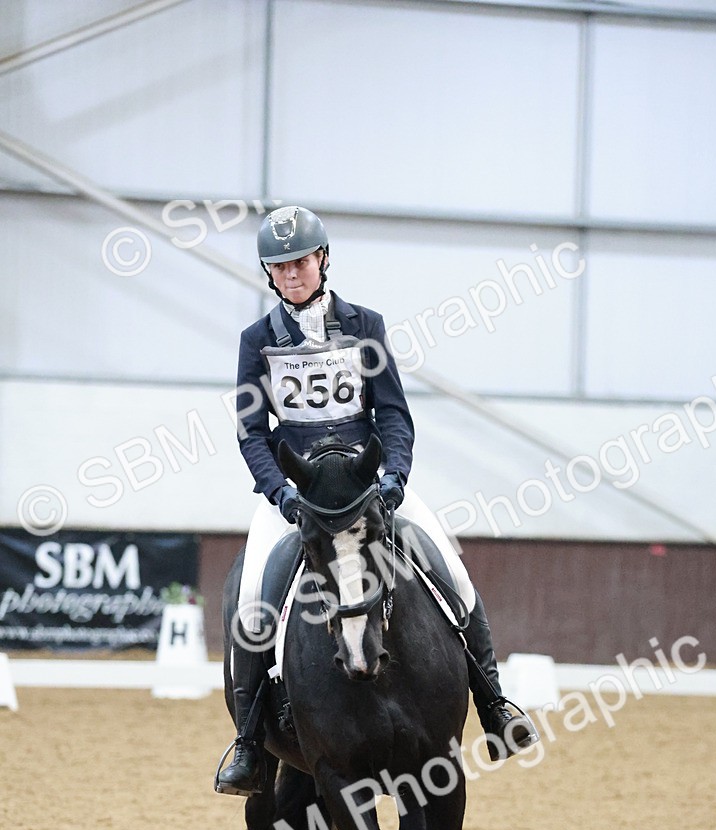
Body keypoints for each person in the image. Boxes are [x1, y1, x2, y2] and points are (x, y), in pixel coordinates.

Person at [216, 205, 536, 794]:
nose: (292, 274)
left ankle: (495, 706)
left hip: (368, 487)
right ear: (269, 273)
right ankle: (249, 743)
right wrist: (280, 493)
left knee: (452, 573)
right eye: (280, 266)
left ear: (323, 259)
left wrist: (394, 478)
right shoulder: (256, 343)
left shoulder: (366, 325)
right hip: (298, 494)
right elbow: (251, 432)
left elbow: (392, 413)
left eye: (301, 262)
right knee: (253, 602)